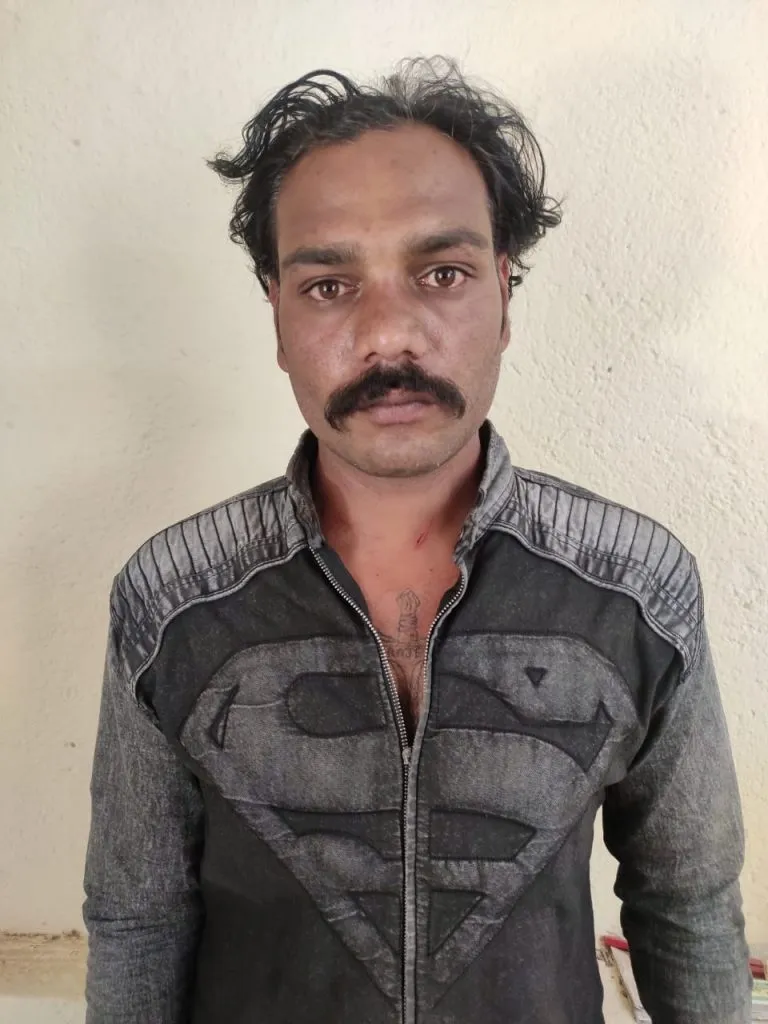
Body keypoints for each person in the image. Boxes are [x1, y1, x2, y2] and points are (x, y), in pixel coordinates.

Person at [83, 57, 750, 1024]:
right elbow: (137, 920)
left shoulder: (636, 585)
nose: (389, 334)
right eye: (328, 284)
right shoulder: (173, 598)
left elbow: (687, 906)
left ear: (505, 293)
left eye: (442, 273)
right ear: (276, 312)